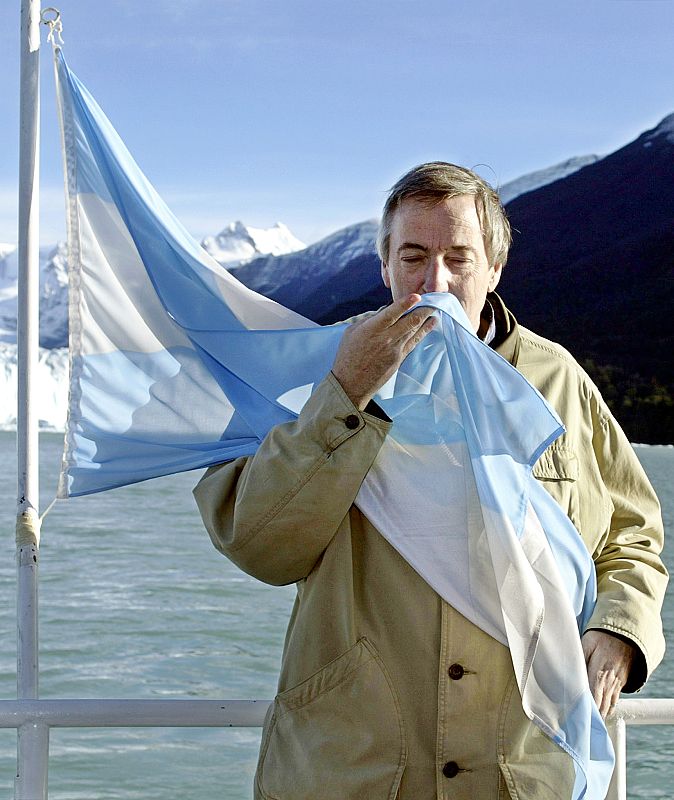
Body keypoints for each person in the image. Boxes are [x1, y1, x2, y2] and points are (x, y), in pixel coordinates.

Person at [193, 163, 667, 799]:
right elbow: (258, 543)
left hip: (522, 770)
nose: (434, 281)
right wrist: (345, 394)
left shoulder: (559, 383)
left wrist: (619, 629)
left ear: (494, 268)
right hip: (356, 766)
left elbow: (633, 533)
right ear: (384, 266)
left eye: (458, 258)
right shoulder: (309, 375)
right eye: (413, 256)